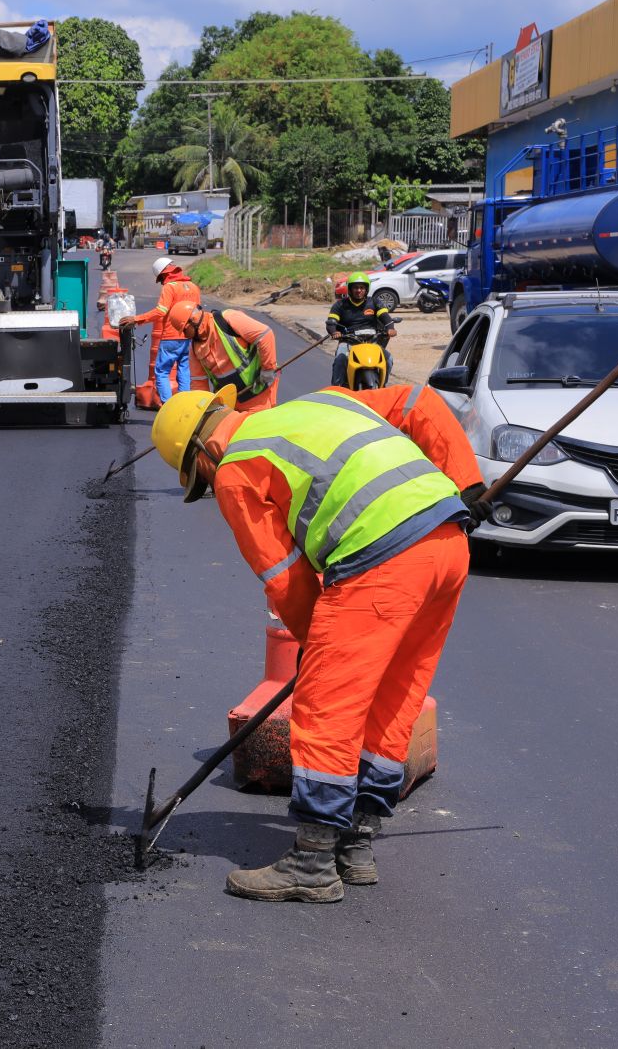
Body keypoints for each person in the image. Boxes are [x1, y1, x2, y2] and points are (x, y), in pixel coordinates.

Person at [150, 382, 491, 903]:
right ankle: (356, 844)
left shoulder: (236, 470)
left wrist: (319, 644)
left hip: (381, 562)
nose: (206, 484)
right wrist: (466, 481)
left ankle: (311, 861)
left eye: (198, 476)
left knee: (326, 705)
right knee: (395, 696)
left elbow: (284, 576)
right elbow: (418, 403)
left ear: (205, 450)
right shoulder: (322, 399)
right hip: (446, 542)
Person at [166, 301, 281, 412]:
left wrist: (268, 368)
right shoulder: (194, 349)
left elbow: (264, 335)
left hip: (258, 390)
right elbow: (198, 383)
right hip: (233, 400)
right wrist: (203, 409)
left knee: (258, 427)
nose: (185, 336)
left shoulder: (228, 319)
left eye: (185, 331)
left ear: (193, 321)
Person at [118, 257, 202, 401]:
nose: (162, 282)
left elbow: (160, 311)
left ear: (164, 275)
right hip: (189, 337)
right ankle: (184, 405)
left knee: (162, 372)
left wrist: (136, 319)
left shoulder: (170, 287)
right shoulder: (193, 286)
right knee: (184, 370)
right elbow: (198, 313)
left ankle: (168, 406)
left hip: (171, 337)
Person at [326, 272, 394, 387]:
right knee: (340, 360)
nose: (359, 290)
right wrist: (334, 332)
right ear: (350, 289)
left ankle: (383, 386)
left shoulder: (374, 302)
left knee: (388, 359)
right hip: (348, 340)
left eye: (362, 287)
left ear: (366, 289)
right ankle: (337, 389)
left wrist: (391, 328)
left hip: (372, 341)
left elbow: (386, 318)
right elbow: (331, 323)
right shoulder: (340, 305)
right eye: (355, 287)